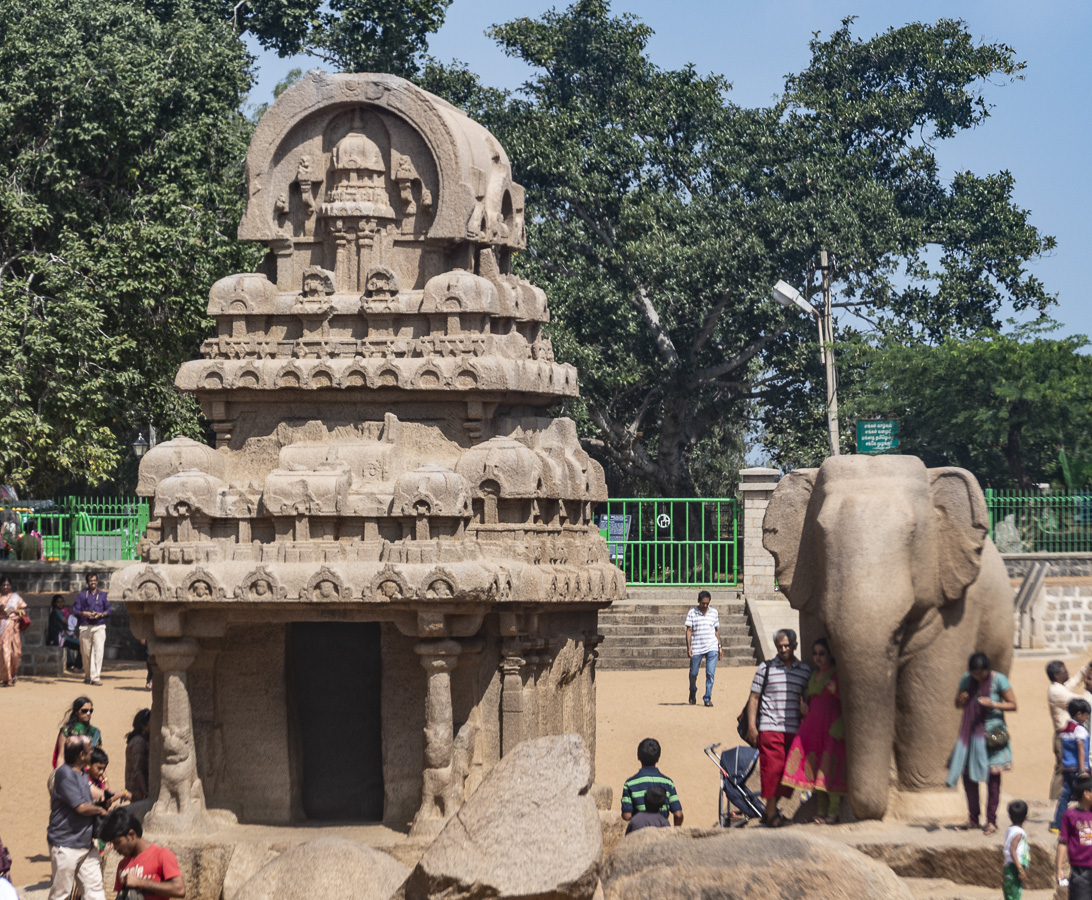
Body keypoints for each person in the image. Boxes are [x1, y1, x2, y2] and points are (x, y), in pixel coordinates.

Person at [946, 651, 1018, 835]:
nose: (978, 676)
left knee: (993, 780)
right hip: (970, 734)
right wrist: (961, 700)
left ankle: (991, 821)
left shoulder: (999, 680)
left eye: (981, 673)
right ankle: (973, 818)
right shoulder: (966, 679)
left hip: (992, 735)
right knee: (969, 779)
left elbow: (1013, 704)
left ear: (987, 669)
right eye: (974, 673)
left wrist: (993, 704)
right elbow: (957, 703)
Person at [746, 628, 811, 827]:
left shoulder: (805, 671)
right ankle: (772, 813)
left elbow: (809, 697)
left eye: (787, 646)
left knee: (788, 774)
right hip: (769, 726)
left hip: (793, 728)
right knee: (771, 770)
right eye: (780, 646)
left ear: (795, 646)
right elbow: (754, 698)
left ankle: (769, 811)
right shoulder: (765, 668)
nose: (783, 649)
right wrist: (751, 726)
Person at [780, 637, 847, 824]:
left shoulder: (835, 675)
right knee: (815, 770)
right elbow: (810, 699)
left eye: (822, 654)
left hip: (831, 727)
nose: (818, 657)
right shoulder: (814, 674)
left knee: (828, 771)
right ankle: (821, 811)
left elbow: (850, 702)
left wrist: (836, 691)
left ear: (829, 655)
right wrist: (804, 708)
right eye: (815, 653)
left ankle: (832, 813)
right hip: (813, 728)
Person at [47, 736, 108, 900]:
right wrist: (101, 811)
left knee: (95, 892)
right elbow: (80, 807)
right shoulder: (65, 774)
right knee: (62, 894)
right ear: (82, 755)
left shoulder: (81, 773)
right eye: (89, 750)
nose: (92, 752)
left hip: (85, 845)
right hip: (66, 846)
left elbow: (95, 796)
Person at [101, 807, 185, 899]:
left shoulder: (162, 855)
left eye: (117, 843)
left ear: (131, 835)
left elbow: (179, 889)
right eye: (113, 844)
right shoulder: (123, 865)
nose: (115, 848)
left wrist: (140, 882)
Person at [1050, 660, 1092, 799]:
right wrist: (1089, 689)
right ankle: (1055, 801)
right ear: (1056, 675)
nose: (1067, 672)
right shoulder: (1056, 692)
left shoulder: (1059, 687)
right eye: (1064, 670)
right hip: (1065, 737)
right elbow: (1080, 702)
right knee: (1064, 770)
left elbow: (1073, 682)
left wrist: (1086, 668)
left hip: (1070, 735)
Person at [620, 738, 683, 826]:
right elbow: (678, 814)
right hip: (663, 833)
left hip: (639, 833)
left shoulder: (630, 784)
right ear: (658, 758)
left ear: (638, 756)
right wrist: (675, 831)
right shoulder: (668, 783)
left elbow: (627, 816)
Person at [1054, 699, 1092, 833]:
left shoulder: (1065, 729)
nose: (1087, 717)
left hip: (1067, 768)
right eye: (1086, 714)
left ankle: (1057, 824)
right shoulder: (1080, 730)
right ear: (1079, 714)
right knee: (1086, 797)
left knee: (1065, 796)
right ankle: (1085, 827)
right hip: (1078, 769)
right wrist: (1083, 770)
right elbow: (1081, 750)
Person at [1056, 772, 1092, 897]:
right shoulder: (1070, 815)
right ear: (1087, 794)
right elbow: (1063, 842)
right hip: (1080, 871)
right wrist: (1059, 868)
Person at [685, 590, 721, 707]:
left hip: (712, 646)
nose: (705, 606)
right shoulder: (692, 612)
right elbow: (689, 630)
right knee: (693, 673)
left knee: (710, 673)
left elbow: (716, 631)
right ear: (698, 602)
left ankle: (707, 697)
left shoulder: (714, 612)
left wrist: (719, 646)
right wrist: (689, 647)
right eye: (703, 603)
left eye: (707, 603)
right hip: (697, 647)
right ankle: (693, 690)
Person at [73, 572, 109, 686]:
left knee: (98, 652)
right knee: (85, 653)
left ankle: (95, 677)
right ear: (87, 582)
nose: (93, 582)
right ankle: (88, 676)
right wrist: (84, 613)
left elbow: (108, 610)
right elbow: (75, 611)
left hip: (99, 626)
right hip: (85, 626)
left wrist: (101, 614)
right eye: (90, 580)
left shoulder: (103, 595)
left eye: (94, 580)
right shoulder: (82, 596)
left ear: (97, 581)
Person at [53, 697, 102, 769]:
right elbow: (61, 756)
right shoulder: (66, 731)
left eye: (90, 710)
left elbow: (98, 758)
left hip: (89, 772)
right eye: (84, 711)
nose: (88, 713)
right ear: (76, 711)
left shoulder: (95, 732)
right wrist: (59, 774)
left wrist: (105, 779)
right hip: (70, 771)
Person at [0, 576, 28, 687]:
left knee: (16, 654)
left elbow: (23, 613)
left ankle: (13, 674)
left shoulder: (16, 598)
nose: (5, 587)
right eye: (3, 585)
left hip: (13, 628)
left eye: (7, 584)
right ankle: (7, 679)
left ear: (10, 586)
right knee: (5, 653)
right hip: (2, 628)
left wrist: (12, 611)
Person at [46, 594, 83, 673]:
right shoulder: (57, 612)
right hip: (58, 638)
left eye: (62, 602)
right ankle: (77, 667)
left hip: (63, 636)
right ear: (54, 603)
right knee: (82, 645)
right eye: (58, 602)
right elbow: (66, 621)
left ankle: (73, 664)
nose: (60, 604)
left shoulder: (61, 612)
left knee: (81, 644)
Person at [1003, 799, 1031, 900]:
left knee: (1012, 894)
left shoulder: (1010, 830)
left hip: (1011, 866)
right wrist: (1020, 869)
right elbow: (1013, 851)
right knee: (1014, 895)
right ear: (1026, 817)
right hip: (1014, 867)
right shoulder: (1018, 833)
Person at [126, 709, 152, 802]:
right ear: (143, 725)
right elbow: (138, 771)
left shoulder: (145, 740)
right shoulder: (138, 742)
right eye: (151, 722)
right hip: (139, 792)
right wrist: (145, 792)